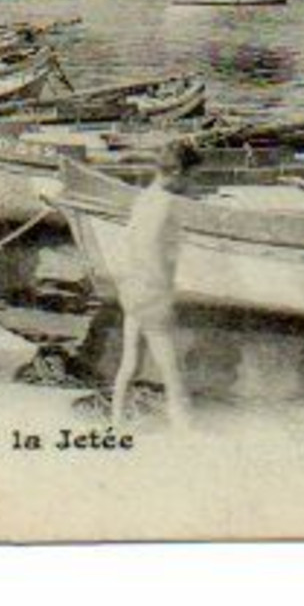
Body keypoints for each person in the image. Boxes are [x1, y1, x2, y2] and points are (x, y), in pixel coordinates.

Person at [107, 142, 199, 429]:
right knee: (172, 373)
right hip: (151, 293)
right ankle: (187, 434)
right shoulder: (167, 203)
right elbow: (149, 246)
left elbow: (128, 242)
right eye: (191, 177)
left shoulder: (146, 196)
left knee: (130, 363)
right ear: (177, 173)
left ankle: (116, 422)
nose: (192, 183)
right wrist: (162, 293)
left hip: (131, 288)